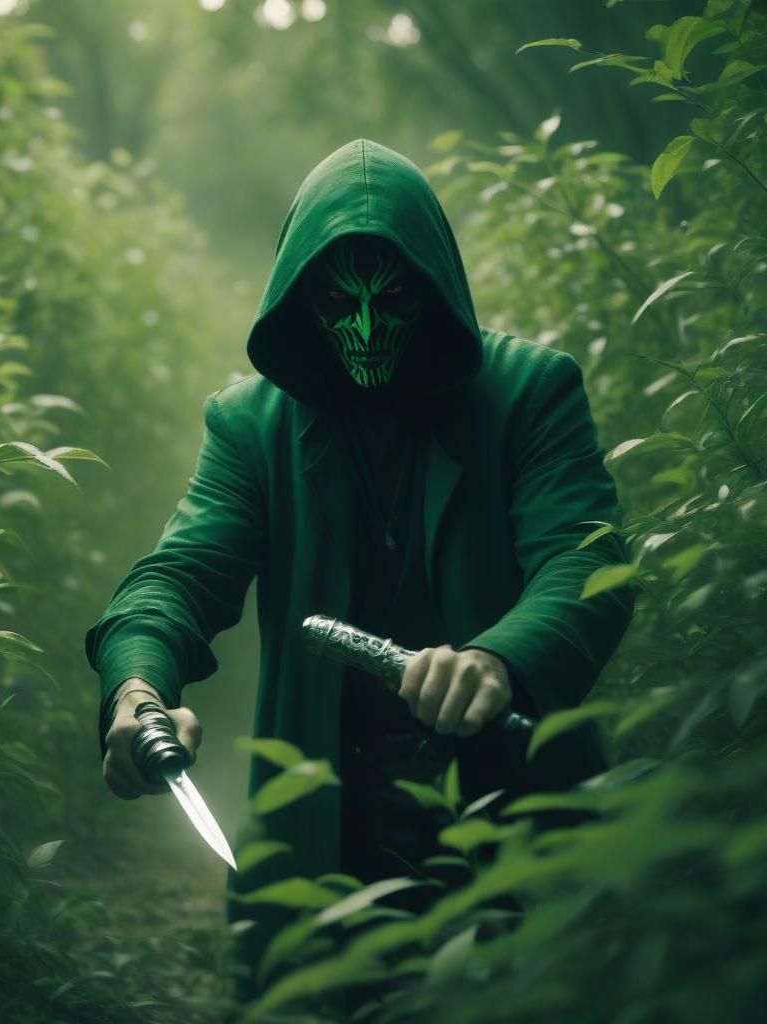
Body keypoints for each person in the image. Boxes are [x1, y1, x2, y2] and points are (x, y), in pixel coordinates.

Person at [84, 138, 635, 999]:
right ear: (304, 302)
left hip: (515, 820)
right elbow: (180, 576)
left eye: (395, 297)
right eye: (343, 301)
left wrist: (499, 658)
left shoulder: (531, 393)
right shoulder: (250, 426)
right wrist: (136, 690)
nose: (370, 330)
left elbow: (585, 560)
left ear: (434, 288)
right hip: (322, 839)